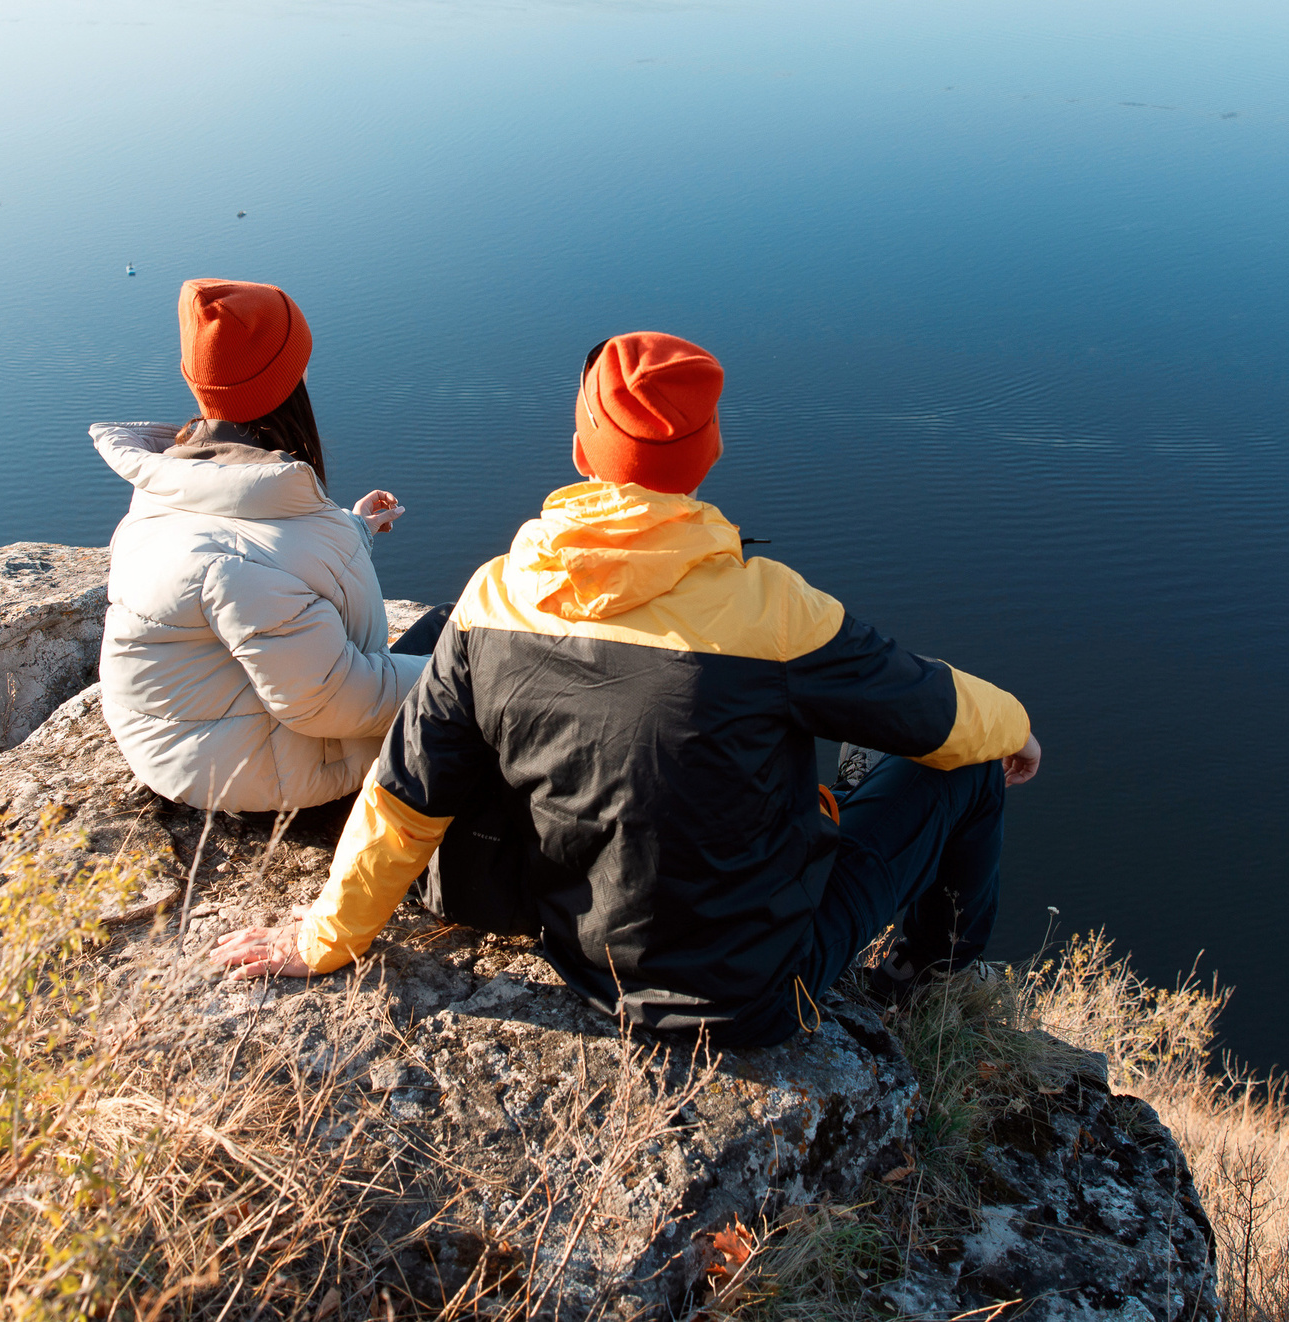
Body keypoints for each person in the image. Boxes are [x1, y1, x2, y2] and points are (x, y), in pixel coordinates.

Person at [212, 331, 1041, 1045]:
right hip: (755, 997)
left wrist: (326, 939)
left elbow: (405, 797)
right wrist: (1016, 730)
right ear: (710, 454)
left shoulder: (494, 599)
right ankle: (929, 983)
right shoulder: (776, 612)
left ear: (582, 454)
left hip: (582, 963)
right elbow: (936, 712)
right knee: (964, 768)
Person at [91, 278, 427, 814]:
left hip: (206, 739)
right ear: (284, 382)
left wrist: (354, 529)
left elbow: (272, 562)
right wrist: (465, 677)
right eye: (299, 364)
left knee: (458, 634)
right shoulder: (235, 564)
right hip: (260, 774)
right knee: (481, 658)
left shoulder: (178, 482)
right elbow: (328, 698)